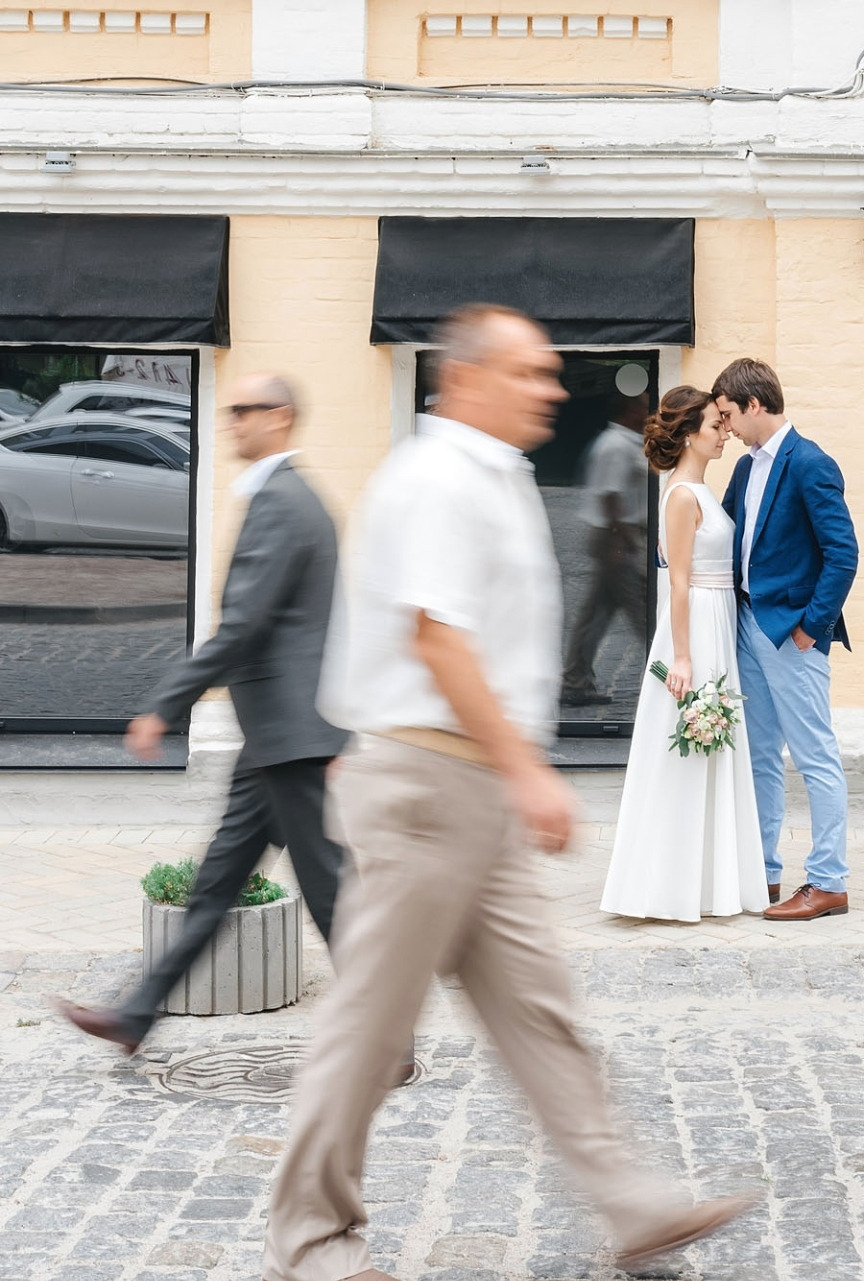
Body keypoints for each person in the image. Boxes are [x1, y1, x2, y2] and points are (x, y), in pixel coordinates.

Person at [262, 305, 750, 1281]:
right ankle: (310, 1239)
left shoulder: (489, 473)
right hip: (431, 783)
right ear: (469, 379)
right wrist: (528, 772)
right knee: (370, 1024)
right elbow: (437, 638)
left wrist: (513, 770)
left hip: (471, 784)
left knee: (538, 1014)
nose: (554, 390)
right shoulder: (439, 478)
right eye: (532, 374)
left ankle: (633, 1204)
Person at [56, 373, 349, 1054]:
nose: (232, 422)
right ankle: (136, 1014)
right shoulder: (287, 498)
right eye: (231, 410)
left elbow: (242, 624)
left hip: (290, 735)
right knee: (217, 882)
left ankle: (385, 1037)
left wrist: (166, 703)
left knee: (331, 897)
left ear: (280, 418)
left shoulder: (283, 502)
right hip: (275, 736)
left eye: (245, 411)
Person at [601, 386, 768, 921]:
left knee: (714, 749)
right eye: (715, 425)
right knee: (689, 749)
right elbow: (677, 584)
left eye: (724, 423)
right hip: (696, 624)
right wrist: (682, 657)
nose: (724, 433)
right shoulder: (680, 496)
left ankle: (708, 881)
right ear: (690, 432)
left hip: (716, 621)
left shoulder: (701, 490)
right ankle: (670, 884)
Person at [713, 357, 860, 920]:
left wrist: (811, 628)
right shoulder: (748, 468)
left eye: (728, 414)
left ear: (753, 405)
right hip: (748, 623)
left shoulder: (810, 462)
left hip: (790, 632)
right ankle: (765, 873)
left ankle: (828, 881)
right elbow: (724, 533)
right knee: (759, 756)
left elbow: (842, 554)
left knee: (814, 754)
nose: (725, 427)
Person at [560, 391, 652, 707]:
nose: (647, 411)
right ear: (628, 409)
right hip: (616, 538)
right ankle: (670, 680)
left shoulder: (626, 442)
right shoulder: (616, 446)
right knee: (645, 611)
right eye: (642, 405)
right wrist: (621, 544)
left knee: (595, 614)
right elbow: (610, 496)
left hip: (616, 537)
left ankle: (575, 681)